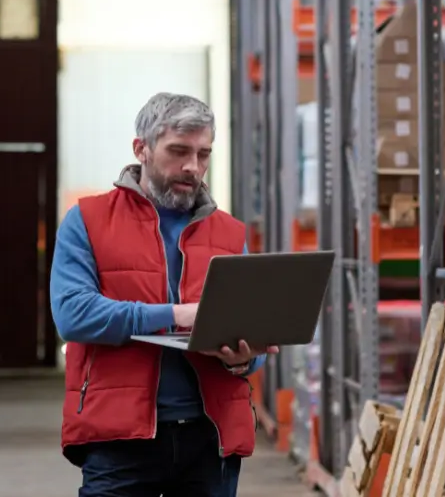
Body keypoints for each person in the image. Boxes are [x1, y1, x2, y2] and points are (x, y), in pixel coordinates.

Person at [51, 93, 279, 497]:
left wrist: (246, 357)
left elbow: (248, 335)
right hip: (119, 437)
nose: (193, 167)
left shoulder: (229, 233)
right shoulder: (87, 220)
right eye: (178, 151)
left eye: (203, 153)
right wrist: (177, 313)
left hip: (211, 439)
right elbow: (73, 314)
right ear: (141, 148)